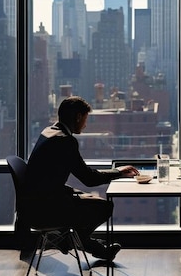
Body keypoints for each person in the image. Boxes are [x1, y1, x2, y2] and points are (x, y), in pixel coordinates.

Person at [25, 96, 139, 261]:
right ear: (78, 117)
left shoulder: (48, 132)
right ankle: (74, 241)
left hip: (37, 203)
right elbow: (88, 178)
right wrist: (118, 173)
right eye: (85, 118)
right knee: (105, 207)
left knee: (89, 199)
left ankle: (84, 243)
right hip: (48, 207)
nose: (85, 124)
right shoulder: (65, 141)